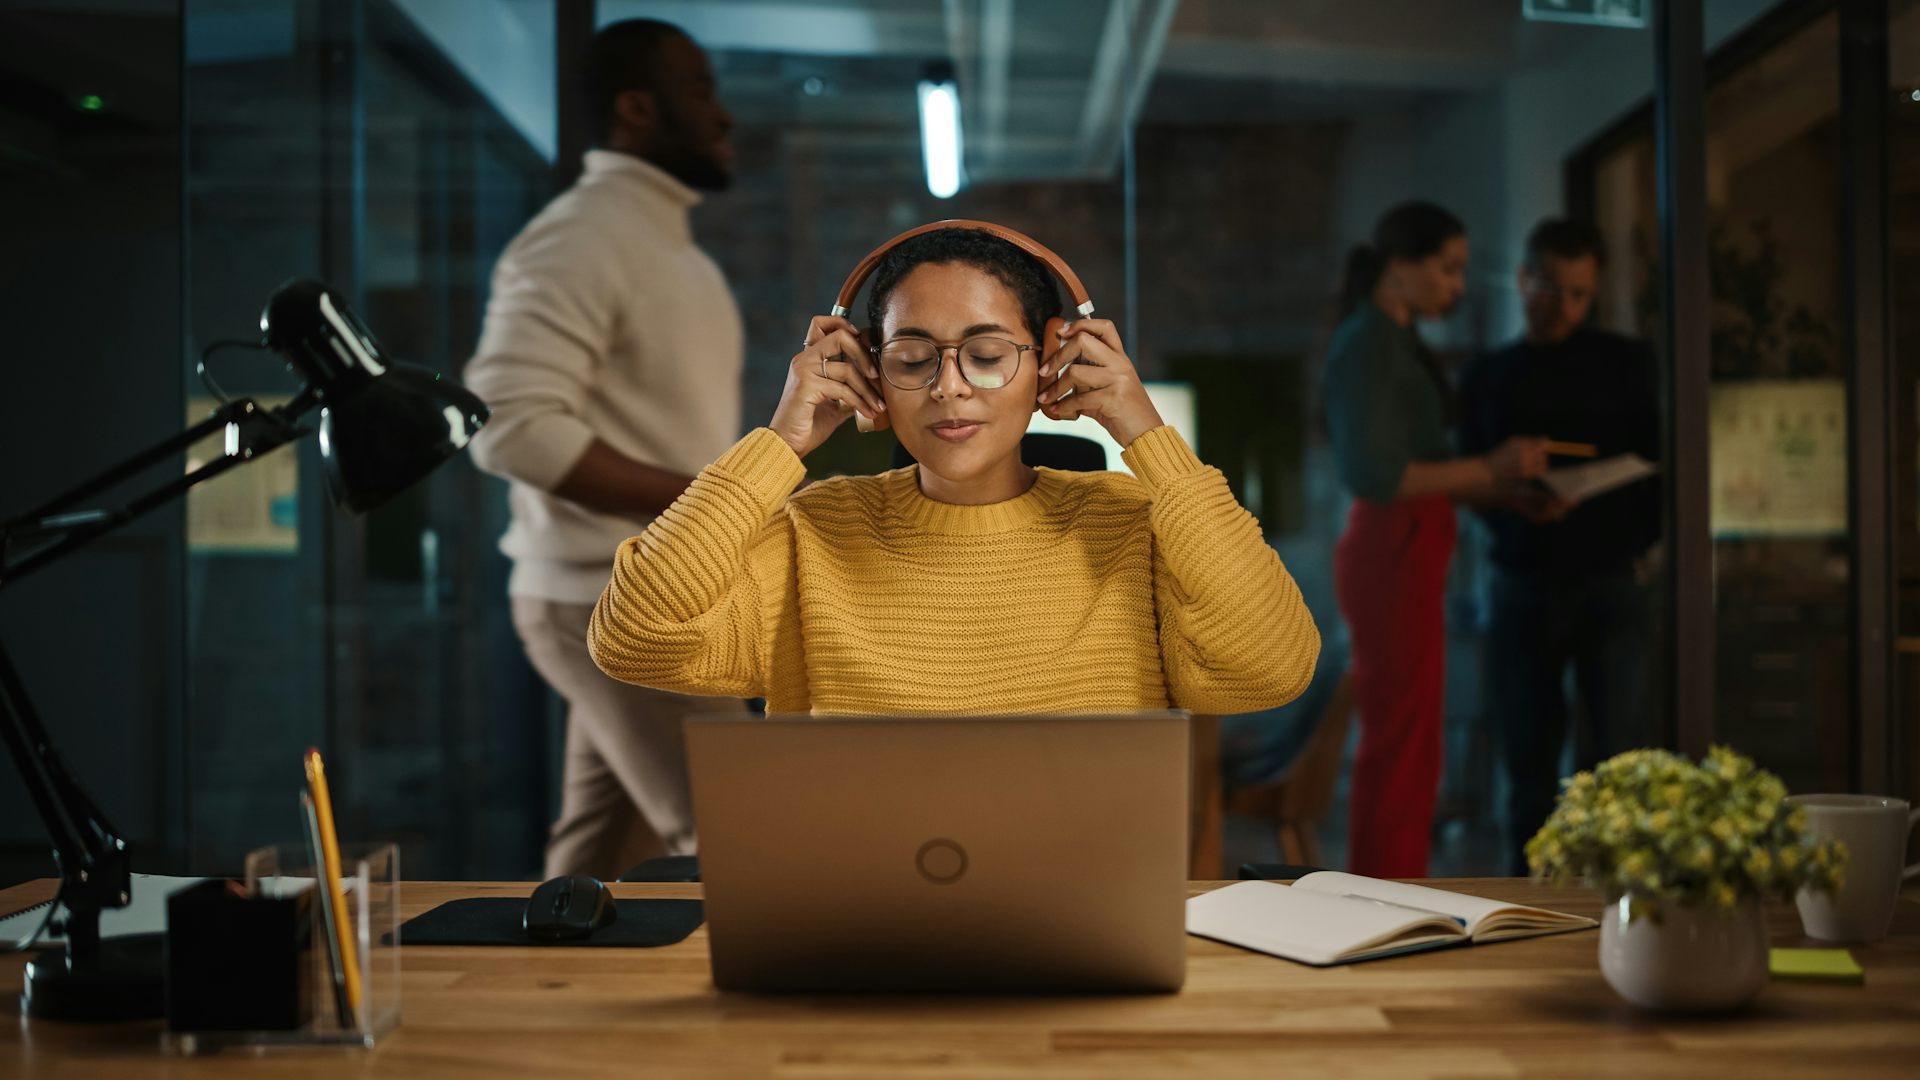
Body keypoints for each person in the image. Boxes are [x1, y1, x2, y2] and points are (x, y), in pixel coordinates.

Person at [586, 226, 1321, 724]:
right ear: (868, 366)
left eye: (988, 353)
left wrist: (1144, 434)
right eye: (912, 356)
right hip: (858, 903)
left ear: (1051, 359)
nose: (948, 387)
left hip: (1079, 907)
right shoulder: (815, 530)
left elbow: (1269, 668)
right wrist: (780, 443)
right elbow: (634, 639)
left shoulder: (1134, 522)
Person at [463, 19, 744, 881]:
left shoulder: (661, 242)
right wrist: (714, 509)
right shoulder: (580, 236)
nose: (721, 114)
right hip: (607, 600)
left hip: (643, 592)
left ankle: (532, 1011)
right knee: (755, 840)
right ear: (637, 107)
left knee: (600, 868)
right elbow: (506, 423)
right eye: (698, 90)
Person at [1321, 201, 1549, 879]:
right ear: (1399, 267)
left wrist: (1505, 490)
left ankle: (1393, 884)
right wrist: (1493, 468)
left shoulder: (1390, 340)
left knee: (1411, 737)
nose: (1456, 286)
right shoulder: (1368, 343)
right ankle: (1383, 891)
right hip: (1392, 547)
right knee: (1400, 737)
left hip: (1409, 545)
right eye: (1447, 269)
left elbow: (1412, 470)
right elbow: (1377, 474)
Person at [1459, 218, 1661, 875]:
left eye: (1580, 294)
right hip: (1525, 576)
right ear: (1524, 280)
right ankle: (1531, 906)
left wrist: (1641, 540)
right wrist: (1513, 498)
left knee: (1617, 754)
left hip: (1611, 575)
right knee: (1528, 760)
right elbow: (1466, 475)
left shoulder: (1627, 363)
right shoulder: (1491, 374)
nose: (1564, 306)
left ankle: (1616, 906)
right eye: (1552, 289)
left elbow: (1660, 461)